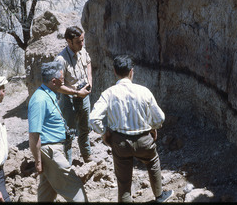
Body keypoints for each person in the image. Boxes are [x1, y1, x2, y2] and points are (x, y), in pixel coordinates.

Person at [89, 55, 174, 202]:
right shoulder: (144, 91)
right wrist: (153, 127)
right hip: (144, 140)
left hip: (120, 142)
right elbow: (160, 117)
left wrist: (104, 132)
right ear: (131, 71)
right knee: (152, 161)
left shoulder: (108, 93)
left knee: (123, 181)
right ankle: (159, 196)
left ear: (114, 72)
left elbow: (93, 119)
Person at [28, 61, 88, 202]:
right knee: (75, 188)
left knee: (46, 192)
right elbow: (34, 134)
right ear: (53, 81)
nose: (64, 83)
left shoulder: (49, 92)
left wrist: (77, 92)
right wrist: (37, 161)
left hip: (53, 149)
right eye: (62, 80)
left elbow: (61, 88)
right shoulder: (39, 100)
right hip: (50, 151)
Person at [54, 25, 94, 164]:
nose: (82, 44)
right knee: (69, 133)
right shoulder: (61, 59)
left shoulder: (82, 51)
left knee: (85, 129)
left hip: (84, 98)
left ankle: (87, 157)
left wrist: (90, 81)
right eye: (78, 42)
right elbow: (58, 86)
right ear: (68, 41)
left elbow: (88, 62)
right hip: (69, 100)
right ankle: (67, 164)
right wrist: (77, 92)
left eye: (83, 40)